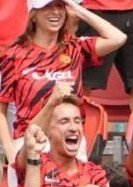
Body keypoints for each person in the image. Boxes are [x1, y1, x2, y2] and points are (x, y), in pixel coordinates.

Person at [0, 0, 126, 137]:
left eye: (60, 6)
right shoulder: (14, 55)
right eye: (47, 7)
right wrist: (10, 150)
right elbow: (1, 109)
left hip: (70, 141)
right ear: (33, 15)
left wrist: (78, 9)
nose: (55, 12)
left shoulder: (75, 48)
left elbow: (118, 38)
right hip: (31, 142)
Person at [19, 93, 111, 187]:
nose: (73, 128)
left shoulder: (94, 172)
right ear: (48, 131)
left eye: (77, 121)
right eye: (64, 121)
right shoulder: (34, 161)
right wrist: (51, 103)